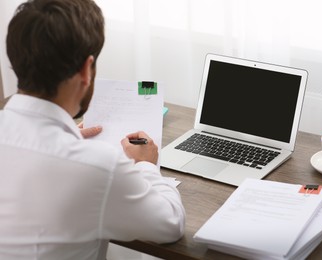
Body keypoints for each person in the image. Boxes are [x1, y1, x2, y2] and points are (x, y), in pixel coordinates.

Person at [0, 0, 185, 259]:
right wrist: (146, 165)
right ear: (87, 69)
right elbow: (170, 225)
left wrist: (69, 137)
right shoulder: (99, 166)